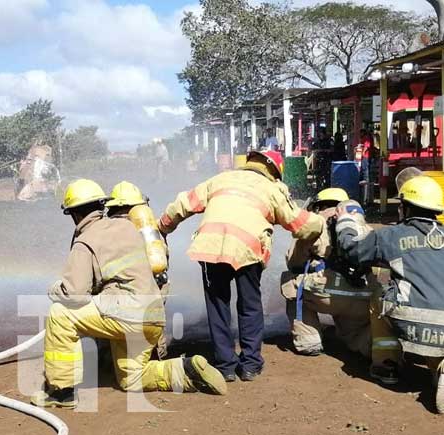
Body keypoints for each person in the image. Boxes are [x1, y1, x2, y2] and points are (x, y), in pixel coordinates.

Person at [31, 179, 226, 409]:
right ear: (101, 205)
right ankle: (185, 370)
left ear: (73, 214)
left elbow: (74, 293)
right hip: (153, 317)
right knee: (131, 379)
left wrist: (55, 289)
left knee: (60, 314)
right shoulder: (127, 227)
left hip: (126, 315)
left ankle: (61, 392)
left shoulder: (85, 242)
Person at [335, 170, 444, 415]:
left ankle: (386, 365)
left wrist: (345, 222)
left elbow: (353, 251)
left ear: (405, 208)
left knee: (379, 296)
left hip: (408, 323)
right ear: (437, 210)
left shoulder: (391, 236)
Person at [157, 150, 324, 382]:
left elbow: (184, 203)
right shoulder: (272, 188)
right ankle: (250, 365)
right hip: (248, 248)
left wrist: (163, 226)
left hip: (211, 245)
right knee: (250, 305)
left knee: (218, 304)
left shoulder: (221, 179)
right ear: (275, 172)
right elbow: (299, 224)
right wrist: (321, 222)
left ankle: (225, 366)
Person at [281, 188, 381, 359]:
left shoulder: (316, 224)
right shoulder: (366, 227)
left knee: (289, 281)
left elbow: (294, 263)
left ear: (319, 206)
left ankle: (309, 340)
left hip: (327, 293)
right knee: (355, 329)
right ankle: (365, 343)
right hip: (363, 296)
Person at [105, 180, 171, 358]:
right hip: (157, 285)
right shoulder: (150, 227)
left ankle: (119, 360)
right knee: (154, 323)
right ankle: (157, 356)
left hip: (126, 291)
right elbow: (164, 257)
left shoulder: (110, 228)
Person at [311, 127, 333, 191]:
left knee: (327, 175)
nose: (321, 135)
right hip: (319, 160)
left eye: (321, 133)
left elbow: (332, 150)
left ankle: (327, 188)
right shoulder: (317, 141)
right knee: (318, 175)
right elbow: (312, 149)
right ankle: (318, 188)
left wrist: (322, 150)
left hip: (326, 160)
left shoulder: (329, 141)